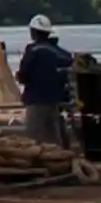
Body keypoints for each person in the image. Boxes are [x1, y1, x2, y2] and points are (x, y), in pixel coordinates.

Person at [15, 16, 77, 150]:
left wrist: (20, 78)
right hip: (55, 101)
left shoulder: (33, 51)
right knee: (53, 138)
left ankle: (36, 165)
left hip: (36, 100)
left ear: (34, 32)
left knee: (33, 136)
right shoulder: (62, 53)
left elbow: (24, 74)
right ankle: (59, 160)